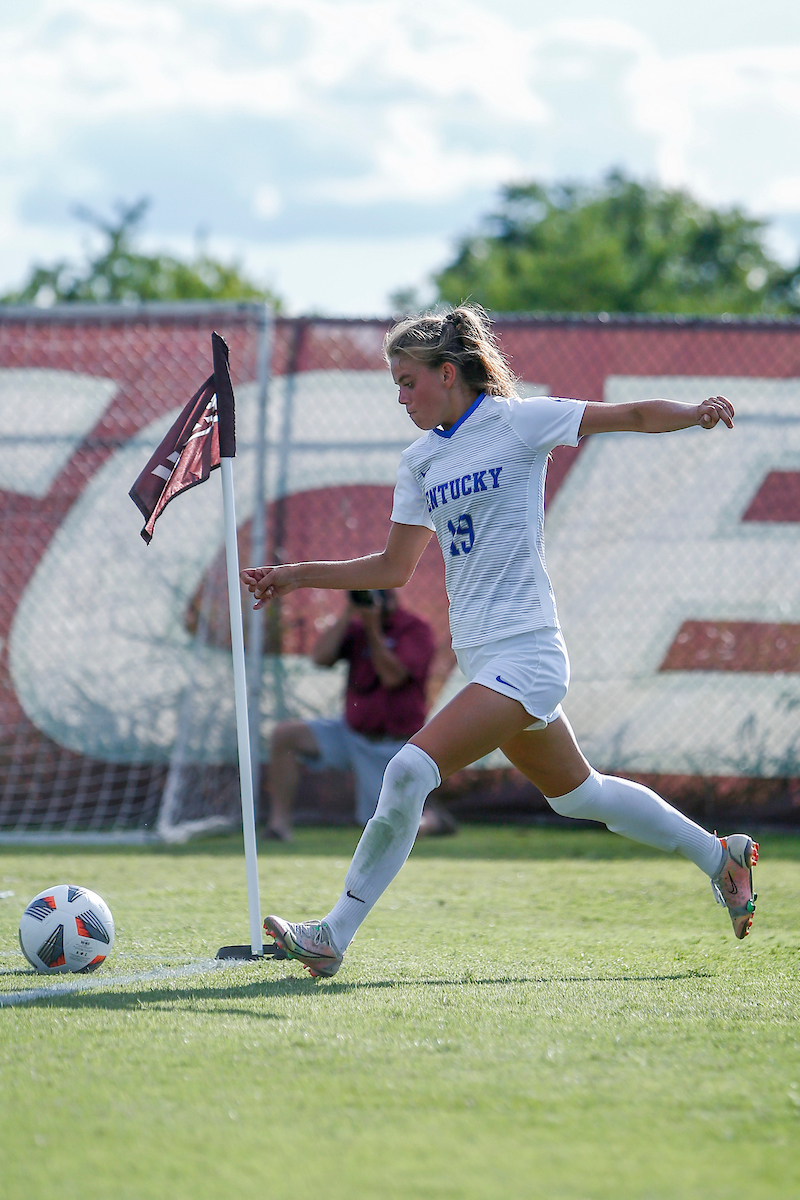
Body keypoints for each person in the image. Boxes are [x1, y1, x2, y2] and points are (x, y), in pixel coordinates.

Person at [241, 304, 758, 979]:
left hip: (529, 657)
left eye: (407, 381)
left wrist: (695, 410)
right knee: (580, 796)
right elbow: (394, 569)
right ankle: (721, 856)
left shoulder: (518, 422)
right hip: (488, 663)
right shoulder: (420, 460)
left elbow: (629, 416)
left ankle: (333, 934)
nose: (400, 397)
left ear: (448, 373)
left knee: (407, 771)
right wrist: (297, 576)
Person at [265, 588, 453, 839]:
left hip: (392, 747)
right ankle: (279, 826)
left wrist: (373, 629)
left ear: (393, 596)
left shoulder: (414, 629)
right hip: (351, 734)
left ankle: (433, 820)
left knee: (390, 827)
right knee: (285, 735)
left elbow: (392, 677)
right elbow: (320, 658)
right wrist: (347, 615)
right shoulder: (356, 627)